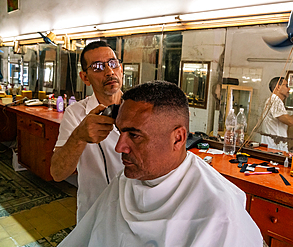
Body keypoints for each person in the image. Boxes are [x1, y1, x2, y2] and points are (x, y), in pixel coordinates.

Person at [58, 81, 263, 247]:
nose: (119, 147)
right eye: (121, 133)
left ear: (178, 138)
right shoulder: (125, 182)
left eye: (135, 135)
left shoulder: (218, 212)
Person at [50, 41, 124, 223]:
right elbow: (57, 173)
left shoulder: (142, 109)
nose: (109, 72)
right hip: (94, 213)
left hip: (139, 210)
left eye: (113, 63)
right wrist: (79, 136)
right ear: (85, 77)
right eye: (98, 67)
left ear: (121, 68)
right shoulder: (75, 113)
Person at [260, 77, 293, 152]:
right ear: (278, 87)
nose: (289, 89)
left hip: (274, 147)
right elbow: (289, 121)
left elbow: (286, 117)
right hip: (274, 148)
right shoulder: (275, 100)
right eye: (286, 86)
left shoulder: (274, 100)